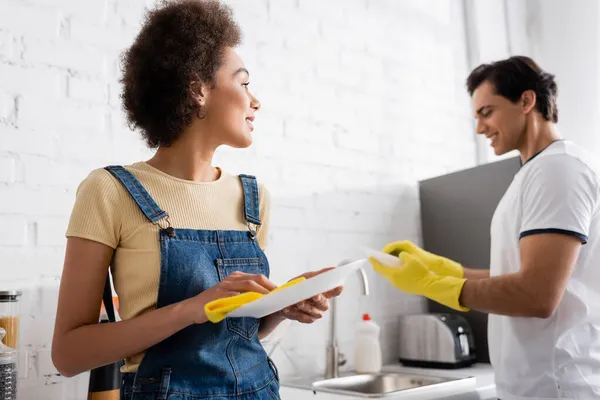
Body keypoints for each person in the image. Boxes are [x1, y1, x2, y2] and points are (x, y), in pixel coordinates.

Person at [51, 1, 342, 399]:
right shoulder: (109, 190)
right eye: (243, 83)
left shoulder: (254, 199)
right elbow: (68, 355)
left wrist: (282, 303)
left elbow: (235, 336)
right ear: (198, 89)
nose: (255, 101)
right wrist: (192, 308)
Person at [370, 56, 600, 399]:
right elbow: (521, 275)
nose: (479, 128)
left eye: (487, 112)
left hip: (559, 387)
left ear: (526, 101)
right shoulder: (533, 174)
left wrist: (438, 285)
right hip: (533, 388)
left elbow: (537, 295)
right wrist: (445, 269)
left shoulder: (559, 169)